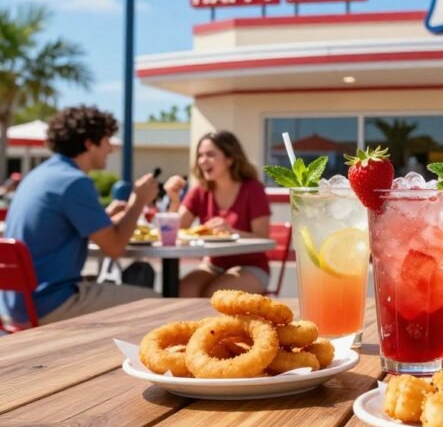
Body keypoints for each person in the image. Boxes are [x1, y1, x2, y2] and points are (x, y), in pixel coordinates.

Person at [0, 106, 159, 328]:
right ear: (89, 143)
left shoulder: (39, 175)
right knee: (158, 303)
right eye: (106, 140)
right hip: (48, 303)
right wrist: (138, 201)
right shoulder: (74, 182)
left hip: (14, 304)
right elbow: (114, 247)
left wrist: (102, 217)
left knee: (132, 282)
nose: (110, 149)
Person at [164, 131, 271, 297]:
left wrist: (232, 232)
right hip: (213, 265)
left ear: (230, 158)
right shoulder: (200, 190)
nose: (202, 160)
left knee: (215, 295)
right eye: (200, 155)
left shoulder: (253, 189)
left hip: (251, 267)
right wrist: (174, 200)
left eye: (210, 155)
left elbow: (263, 237)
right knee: (181, 291)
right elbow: (176, 230)